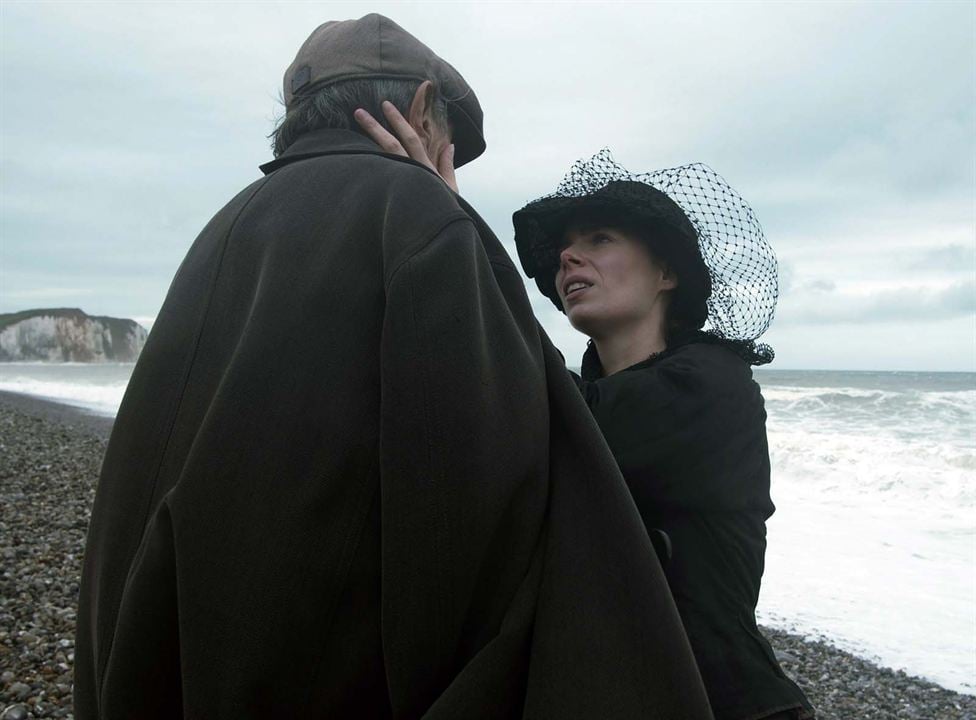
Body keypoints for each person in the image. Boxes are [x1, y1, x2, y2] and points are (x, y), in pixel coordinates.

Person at [74, 15, 714, 719]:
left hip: (153, 673)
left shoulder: (226, 225)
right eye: (447, 143)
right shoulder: (415, 215)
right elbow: (487, 503)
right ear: (419, 111)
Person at [512, 151, 817, 720]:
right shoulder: (581, 395)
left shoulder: (712, 385)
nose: (568, 256)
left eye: (600, 238)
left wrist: (449, 235)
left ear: (666, 275)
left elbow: (555, 419)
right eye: (564, 250)